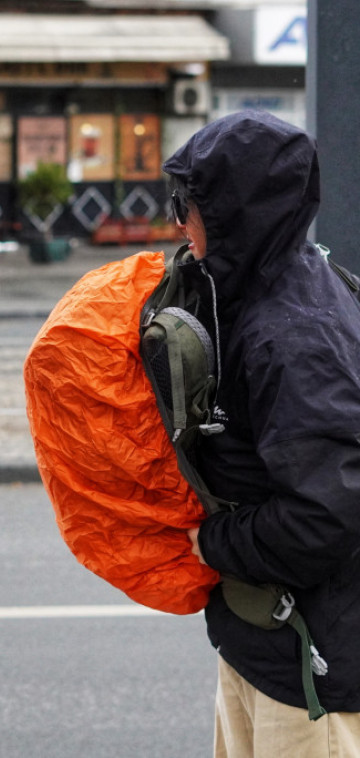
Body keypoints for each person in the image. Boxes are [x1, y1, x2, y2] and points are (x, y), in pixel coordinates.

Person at [163, 110, 360, 756]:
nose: (177, 223)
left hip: (310, 668)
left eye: (185, 204)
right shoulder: (255, 294)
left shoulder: (291, 335)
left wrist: (212, 541)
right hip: (264, 644)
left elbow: (324, 518)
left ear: (231, 216)